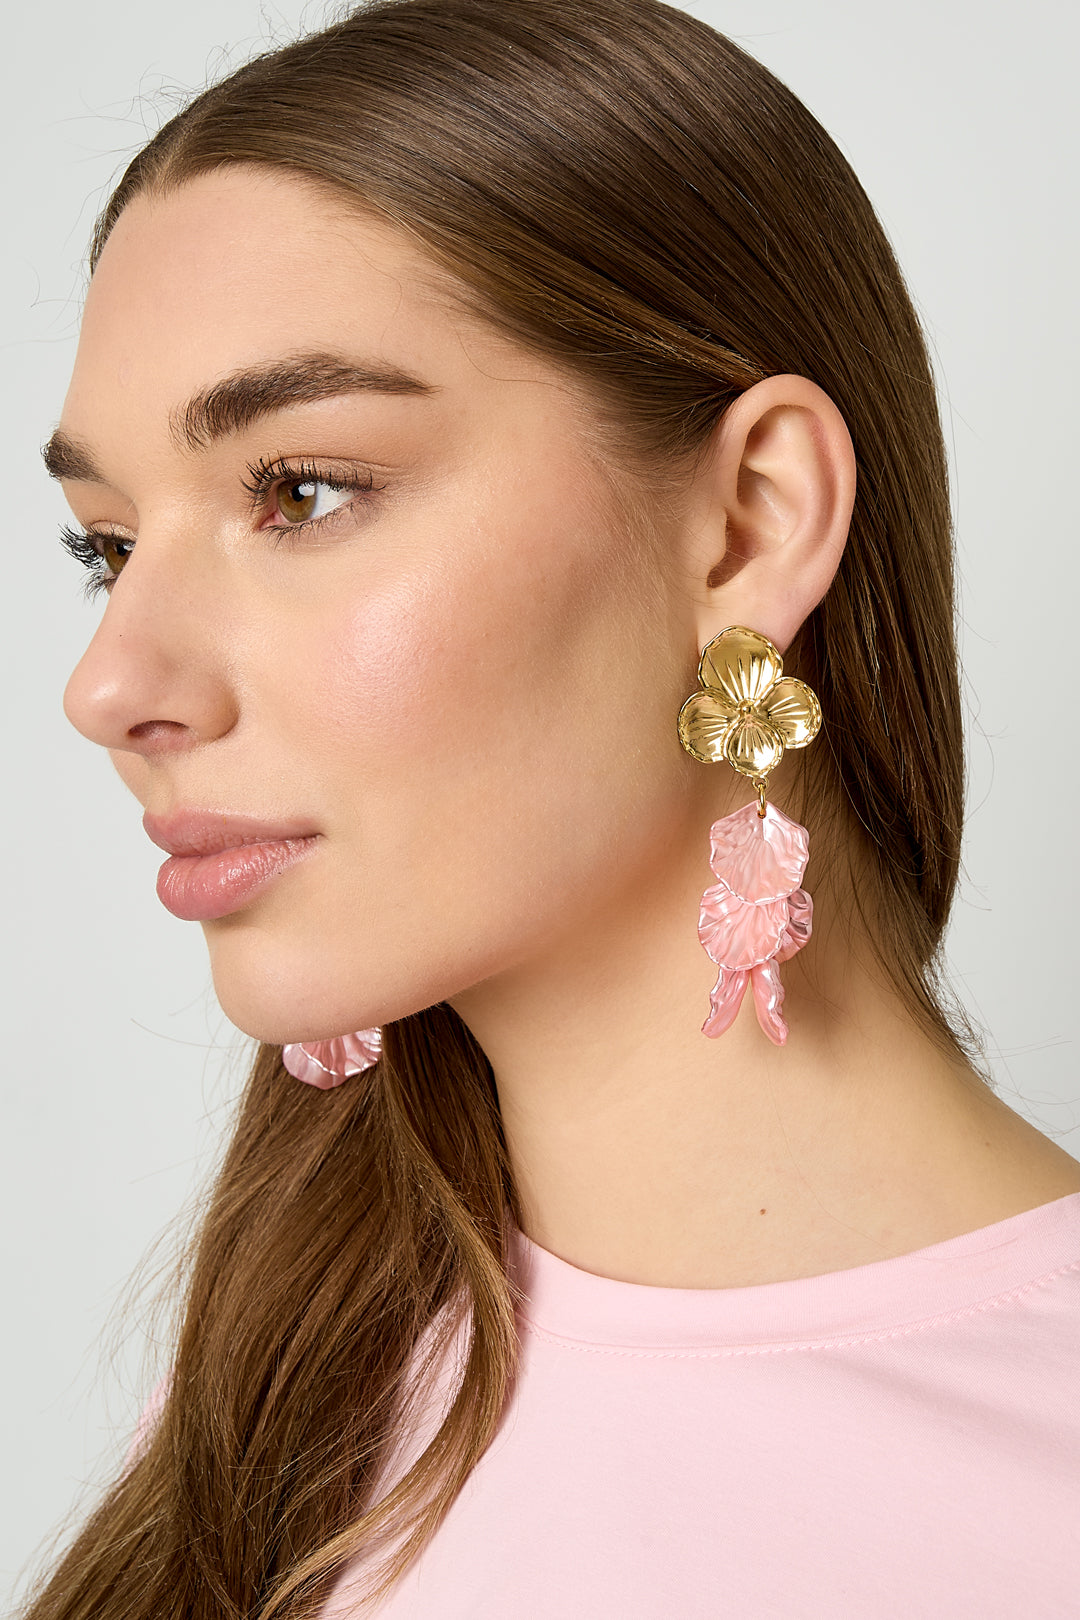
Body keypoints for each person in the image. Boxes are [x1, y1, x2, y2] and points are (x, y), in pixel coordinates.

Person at [24, 0, 1080, 1615]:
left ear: (750, 521)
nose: (111, 686)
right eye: (107, 545)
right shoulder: (283, 1398)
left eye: (303, 492)